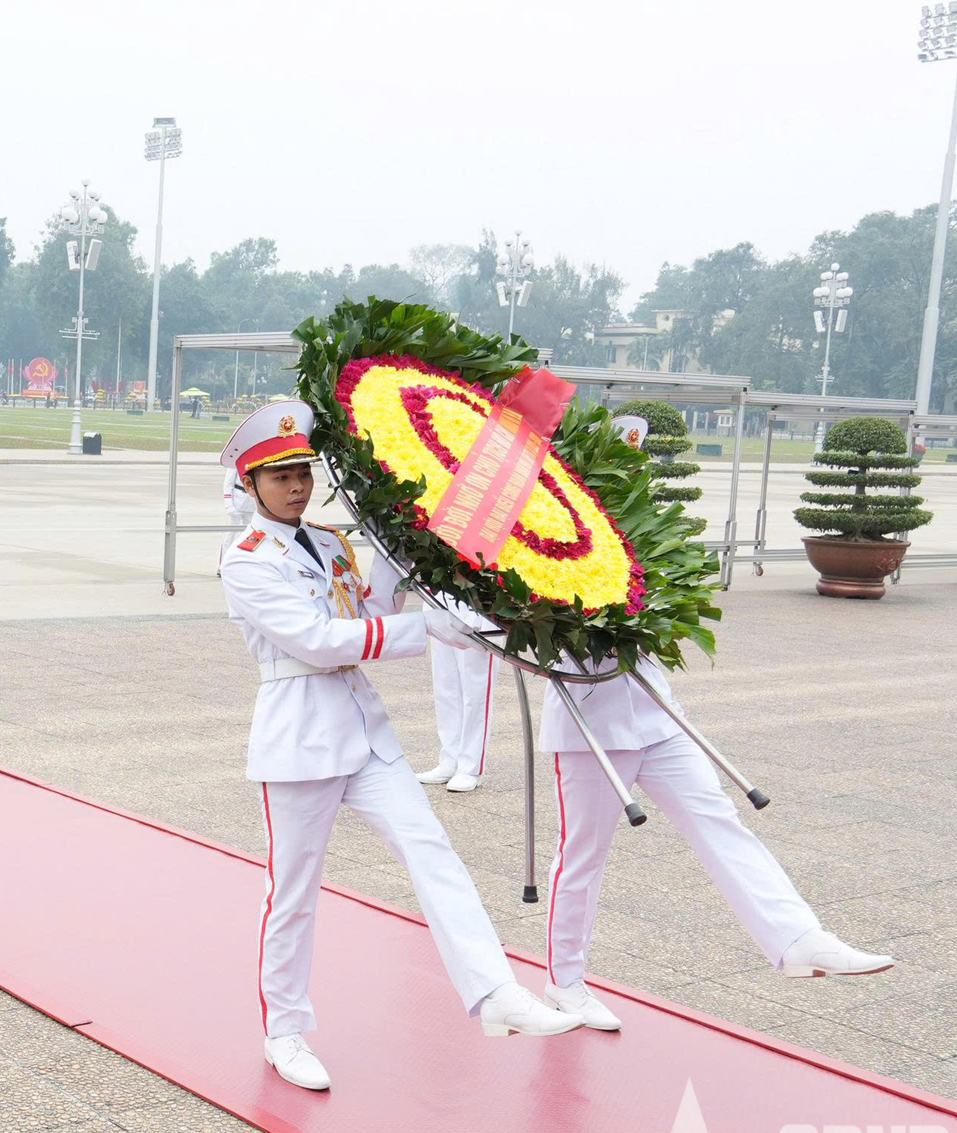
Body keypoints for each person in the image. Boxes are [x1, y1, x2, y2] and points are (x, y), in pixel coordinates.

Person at [216, 401, 581, 1092]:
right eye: (280, 475)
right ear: (252, 485)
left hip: (362, 729)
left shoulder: (326, 542)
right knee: (292, 893)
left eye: (303, 472)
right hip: (299, 734)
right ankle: (284, 1031)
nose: (297, 486)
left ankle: (494, 990)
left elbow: (367, 617)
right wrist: (429, 631)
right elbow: (319, 643)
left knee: (432, 851)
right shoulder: (245, 560)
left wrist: (401, 553)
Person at [539, 662, 894, 1031]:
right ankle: (564, 981)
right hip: (587, 725)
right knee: (583, 855)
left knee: (721, 824)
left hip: (656, 715)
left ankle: (799, 938)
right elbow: (476, 627)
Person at [416, 597, 497, 794]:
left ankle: (470, 767)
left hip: (476, 600)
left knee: (475, 689)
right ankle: (450, 759)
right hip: (441, 597)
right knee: (446, 687)